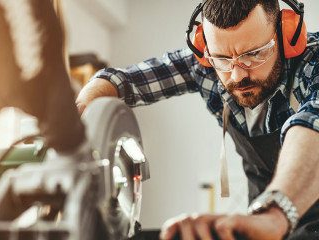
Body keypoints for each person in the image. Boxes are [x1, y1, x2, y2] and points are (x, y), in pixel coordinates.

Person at [76, 0, 319, 239]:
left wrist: (275, 216)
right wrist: (79, 116)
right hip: (263, 219)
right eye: (223, 59)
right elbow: (122, 81)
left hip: (275, 217)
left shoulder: (313, 62)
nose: (238, 74)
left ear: (287, 34)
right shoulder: (205, 66)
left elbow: (313, 121)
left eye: (254, 54)